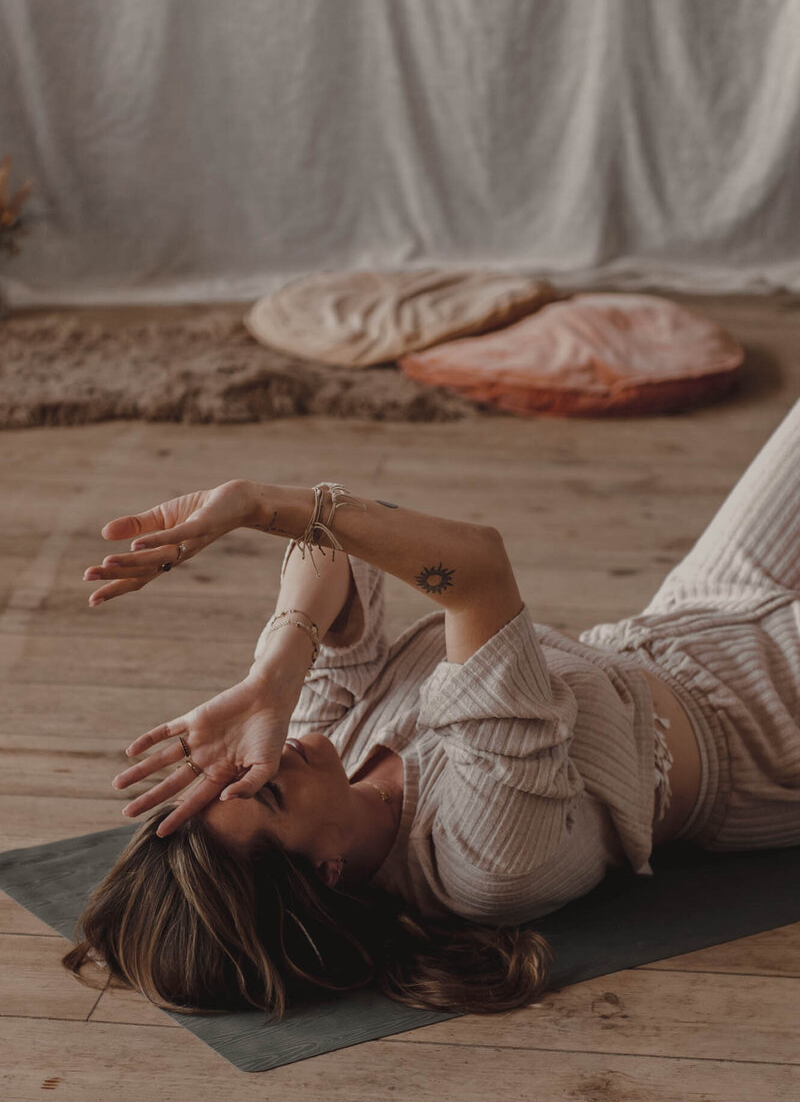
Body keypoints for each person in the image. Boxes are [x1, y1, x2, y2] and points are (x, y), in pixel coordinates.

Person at [62, 401, 800, 1019]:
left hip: (687, 617)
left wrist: (273, 677)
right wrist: (257, 505)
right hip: (772, 727)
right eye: (267, 795)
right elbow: (477, 570)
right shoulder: (483, 857)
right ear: (326, 872)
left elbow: (335, 551)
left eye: (227, 778)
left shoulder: (324, 755)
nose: (261, 763)